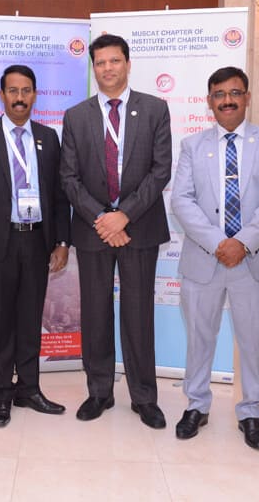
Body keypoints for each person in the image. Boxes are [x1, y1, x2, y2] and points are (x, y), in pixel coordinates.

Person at [171, 67, 259, 449]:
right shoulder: (192, 145)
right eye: (219, 94)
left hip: (252, 260)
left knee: (252, 339)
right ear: (209, 101)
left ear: (247, 97)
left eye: (235, 93)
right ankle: (197, 404)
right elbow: (181, 200)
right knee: (199, 337)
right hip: (204, 259)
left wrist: (243, 242)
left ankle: (251, 411)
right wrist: (219, 243)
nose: (227, 100)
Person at [60, 34, 172, 428]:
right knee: (95, 313)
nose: (108, 68)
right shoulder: (76, 116)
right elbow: (69, 177)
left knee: (139, 314)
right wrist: (103, 218)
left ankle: (144, 397)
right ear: (93, 68)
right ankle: (99, 392)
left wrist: (124, 215)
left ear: (127, 63)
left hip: (140, 227)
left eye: (114, 61)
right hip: (93, 229)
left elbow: (161, 170)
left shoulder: (155, 109)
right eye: (101, 62)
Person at [0, 65, 71, 427]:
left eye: (25, 91)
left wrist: (62, 241)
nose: (19, 97)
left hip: (37, 241)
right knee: (0, 321)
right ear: (2, 95)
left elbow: (59, 196)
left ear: (34, 95)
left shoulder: (48, 138)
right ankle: (2, 394)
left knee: (30, 319)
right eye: (13, 91)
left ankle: (29, 389)